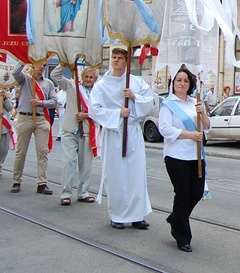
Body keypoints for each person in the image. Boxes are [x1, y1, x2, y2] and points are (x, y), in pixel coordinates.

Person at [88, 48, 153, 230]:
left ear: (126, 61)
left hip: (132, 131)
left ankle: (137, 215)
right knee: (116, 174)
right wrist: (117, 113)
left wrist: (134, 97)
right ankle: (117, 214)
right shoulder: (101, 85)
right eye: (113, 57)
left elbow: (149, 102)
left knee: (135, 174)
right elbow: (94, 109)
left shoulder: (136, 82)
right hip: (114, 132)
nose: (116, 60)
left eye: (120, 58)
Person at [159, 65, 211, 252]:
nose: (182, 83)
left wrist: (203, 112)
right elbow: (164, 129)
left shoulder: (194, 102)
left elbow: (207, 126)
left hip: (196, 156)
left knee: (196, 193)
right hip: (176, 157)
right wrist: (190, 135)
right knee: (182, 195)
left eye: (186, 80)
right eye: (179, 80)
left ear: (190, 84)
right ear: (173, 83)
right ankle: (182, 236)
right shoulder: (167, 104)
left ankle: (175, 218)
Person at [50, 65, 98, 205]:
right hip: (71, 129)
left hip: (88, 130)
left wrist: (86, 115)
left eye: (91, 77)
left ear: (95, 79)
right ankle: (66, 193)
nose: (88, 79)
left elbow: (103, 111)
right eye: (86, 77)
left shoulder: (98, 92)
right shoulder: (72, 86)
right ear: (82, 77)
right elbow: (55, 76)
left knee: (86, 164)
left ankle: (83, 193)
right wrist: (65, 63)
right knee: (69, 162)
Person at [10, 62, 57, 195]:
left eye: (43, 64)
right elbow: (15, 73)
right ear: (33, 66)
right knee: (21, 152)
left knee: (42, 152)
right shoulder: (25, 79)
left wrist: (41, 103)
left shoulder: (48, 83)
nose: (41, 67)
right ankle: (16, 180)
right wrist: (23, 59)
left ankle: (42, 183)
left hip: (41, 118)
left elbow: (54, 101)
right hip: (25, 117)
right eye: (38, 64)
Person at [1, 88, 14, 176]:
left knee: (4, 149)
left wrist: (5, 98)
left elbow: (10, 107)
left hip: (3, 125)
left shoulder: (6, 93)